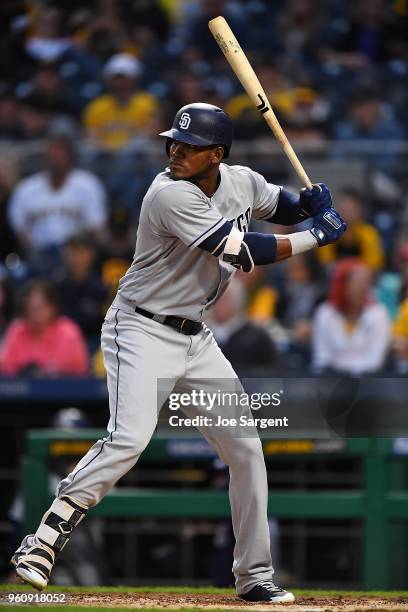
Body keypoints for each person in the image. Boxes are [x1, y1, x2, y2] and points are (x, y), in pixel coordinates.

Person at [11, 102, 346, 603]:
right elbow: (242, 251)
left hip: (197, 338)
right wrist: (316, 233)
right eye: (174, 142)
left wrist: (311, 203)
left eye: (189, 146)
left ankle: (254, 575)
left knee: (246, 450)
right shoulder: (166, 193)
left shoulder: (242, 181)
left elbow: (282, 204)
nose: (175, 151)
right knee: (128, 439)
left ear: (216, 154)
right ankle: (42, 539)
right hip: (141, 329)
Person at [8, 135, 107, 269]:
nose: (56, 162)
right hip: (39, 253)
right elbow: (20, 230)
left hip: (76, 251)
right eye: (52, 157)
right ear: (45, 159)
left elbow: (96, 228)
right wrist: (32, 251)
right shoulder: (27, 188)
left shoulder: (88, 184)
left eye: (60, 157)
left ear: (71, 158)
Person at [312, 258, 391, 375]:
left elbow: (375, 360)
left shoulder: (379, 314)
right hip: (331, 381)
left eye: (367, 282)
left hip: (366, 383)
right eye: (357, 282)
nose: (363, 288)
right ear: (342, 284)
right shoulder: (325, 313)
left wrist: (347, 371)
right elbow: (322, 357)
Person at [0, 279, 89, 377]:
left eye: (40, 308)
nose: (36, 314)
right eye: (31, 309)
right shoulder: (17, 330)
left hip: (62, 391)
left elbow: (81, 372)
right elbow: (4, 369)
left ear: (53, 308)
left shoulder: (68, 332)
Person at [83, 53, 158, 150]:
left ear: (134, 79)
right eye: (116, 78)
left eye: (124, 78)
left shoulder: (147, 104)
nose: (120, 83)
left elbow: (151, 134)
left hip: (139, 157)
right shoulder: (97, 106)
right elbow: (92, 137)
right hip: (105, 157)